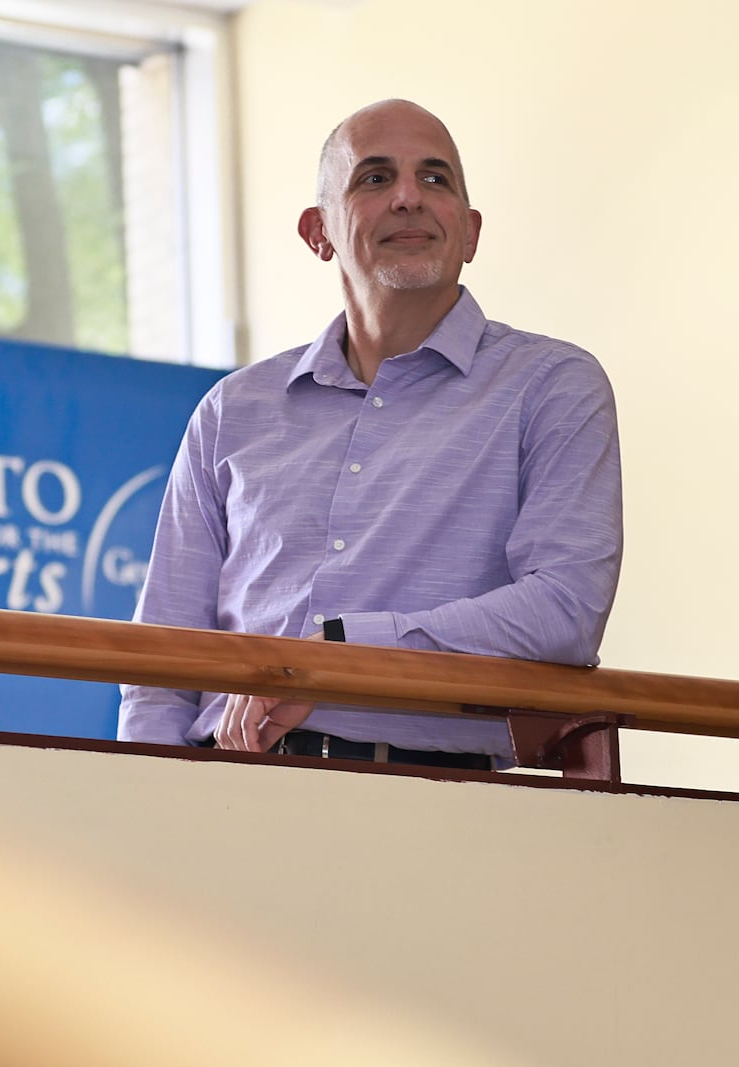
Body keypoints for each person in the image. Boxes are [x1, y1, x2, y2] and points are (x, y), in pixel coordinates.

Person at [118, 98, 623, 770]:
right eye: (375, 178)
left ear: (470, 233)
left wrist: (343, 655)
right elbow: (161, 658)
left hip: (436, 801)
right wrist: (143, 797)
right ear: (317, 231)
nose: (410, 198)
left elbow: (565, 609)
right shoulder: (229, 411)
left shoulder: (553, 386)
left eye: (436, 179)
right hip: (225, 788)